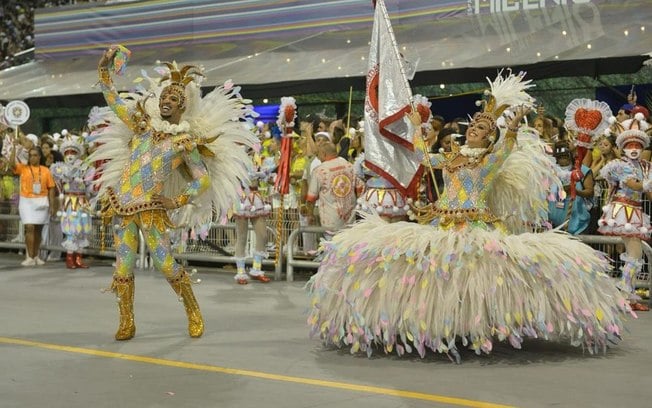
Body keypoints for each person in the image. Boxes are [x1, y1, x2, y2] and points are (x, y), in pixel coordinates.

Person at [307, 70, 630, 362]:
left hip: (475, 223)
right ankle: (439, 323)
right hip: (440, 220)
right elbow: (422, 158)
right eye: (473, 126)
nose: (473, 130)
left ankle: (476, 324)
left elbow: (504, 150)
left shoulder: (488, 161)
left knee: (475, 275)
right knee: (434, 274)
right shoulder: (449, 158)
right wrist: (417, 130)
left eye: (481, 128)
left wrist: (513, 129)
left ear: (489, 137)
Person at [90, 45, 256, 340]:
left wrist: (175, 200)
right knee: (122, 267)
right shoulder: (140, 125)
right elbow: (112, 99)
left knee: (166, 264)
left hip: (152, 211)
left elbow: (202, 179)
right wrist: (104, 69)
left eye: (174, 98)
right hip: (123, 206)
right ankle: (126, 321)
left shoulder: (183, 143)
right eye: (165, 95)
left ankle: (192, 310)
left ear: (183, 106)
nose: (167, 100)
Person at [597, 113, 652, 311]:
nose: (634, 149)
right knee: (634, 254)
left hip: (635, 211)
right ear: (623, 148)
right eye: (630, 146)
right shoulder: (621, 165)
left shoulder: (645, 167)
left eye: (637, 145)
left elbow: (647, 190)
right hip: (624, 211)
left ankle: (627, 295)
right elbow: (634, 185)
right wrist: (647, 184)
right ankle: (626, 296)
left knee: (634, 255)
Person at [232, 146, 275, 284]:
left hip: (256, 198)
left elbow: (268, 177)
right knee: (242, 237)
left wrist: (273, 173)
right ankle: (241, 272)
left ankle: (256, 269)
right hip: (242, 198)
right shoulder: (236, 160)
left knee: (262, 235)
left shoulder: (261, 159)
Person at [50, 135, 94, 269]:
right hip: (69, 201)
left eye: (73, 152)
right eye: (67, 152)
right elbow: (59, 184)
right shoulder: (60, 168)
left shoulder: (85, 168)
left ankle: (79, 258)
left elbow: (90, 186)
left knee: (83, 228)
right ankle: (70, 258)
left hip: (82, 201)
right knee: (71, 229)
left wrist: (87, 183)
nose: (70, 155)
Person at [8, 144, 56, 266]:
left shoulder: (46, 170)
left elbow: (51, 188)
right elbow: (11, 165)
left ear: (39, 157)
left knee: (38, 230)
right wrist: (14, 149)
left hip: (41, 200)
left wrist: (51, 205)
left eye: (35, 155)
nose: (32, 158)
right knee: (29, 227)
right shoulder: (23, 168)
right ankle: (29, 256)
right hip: (26, 201)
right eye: (30, 156)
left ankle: (36, 256)